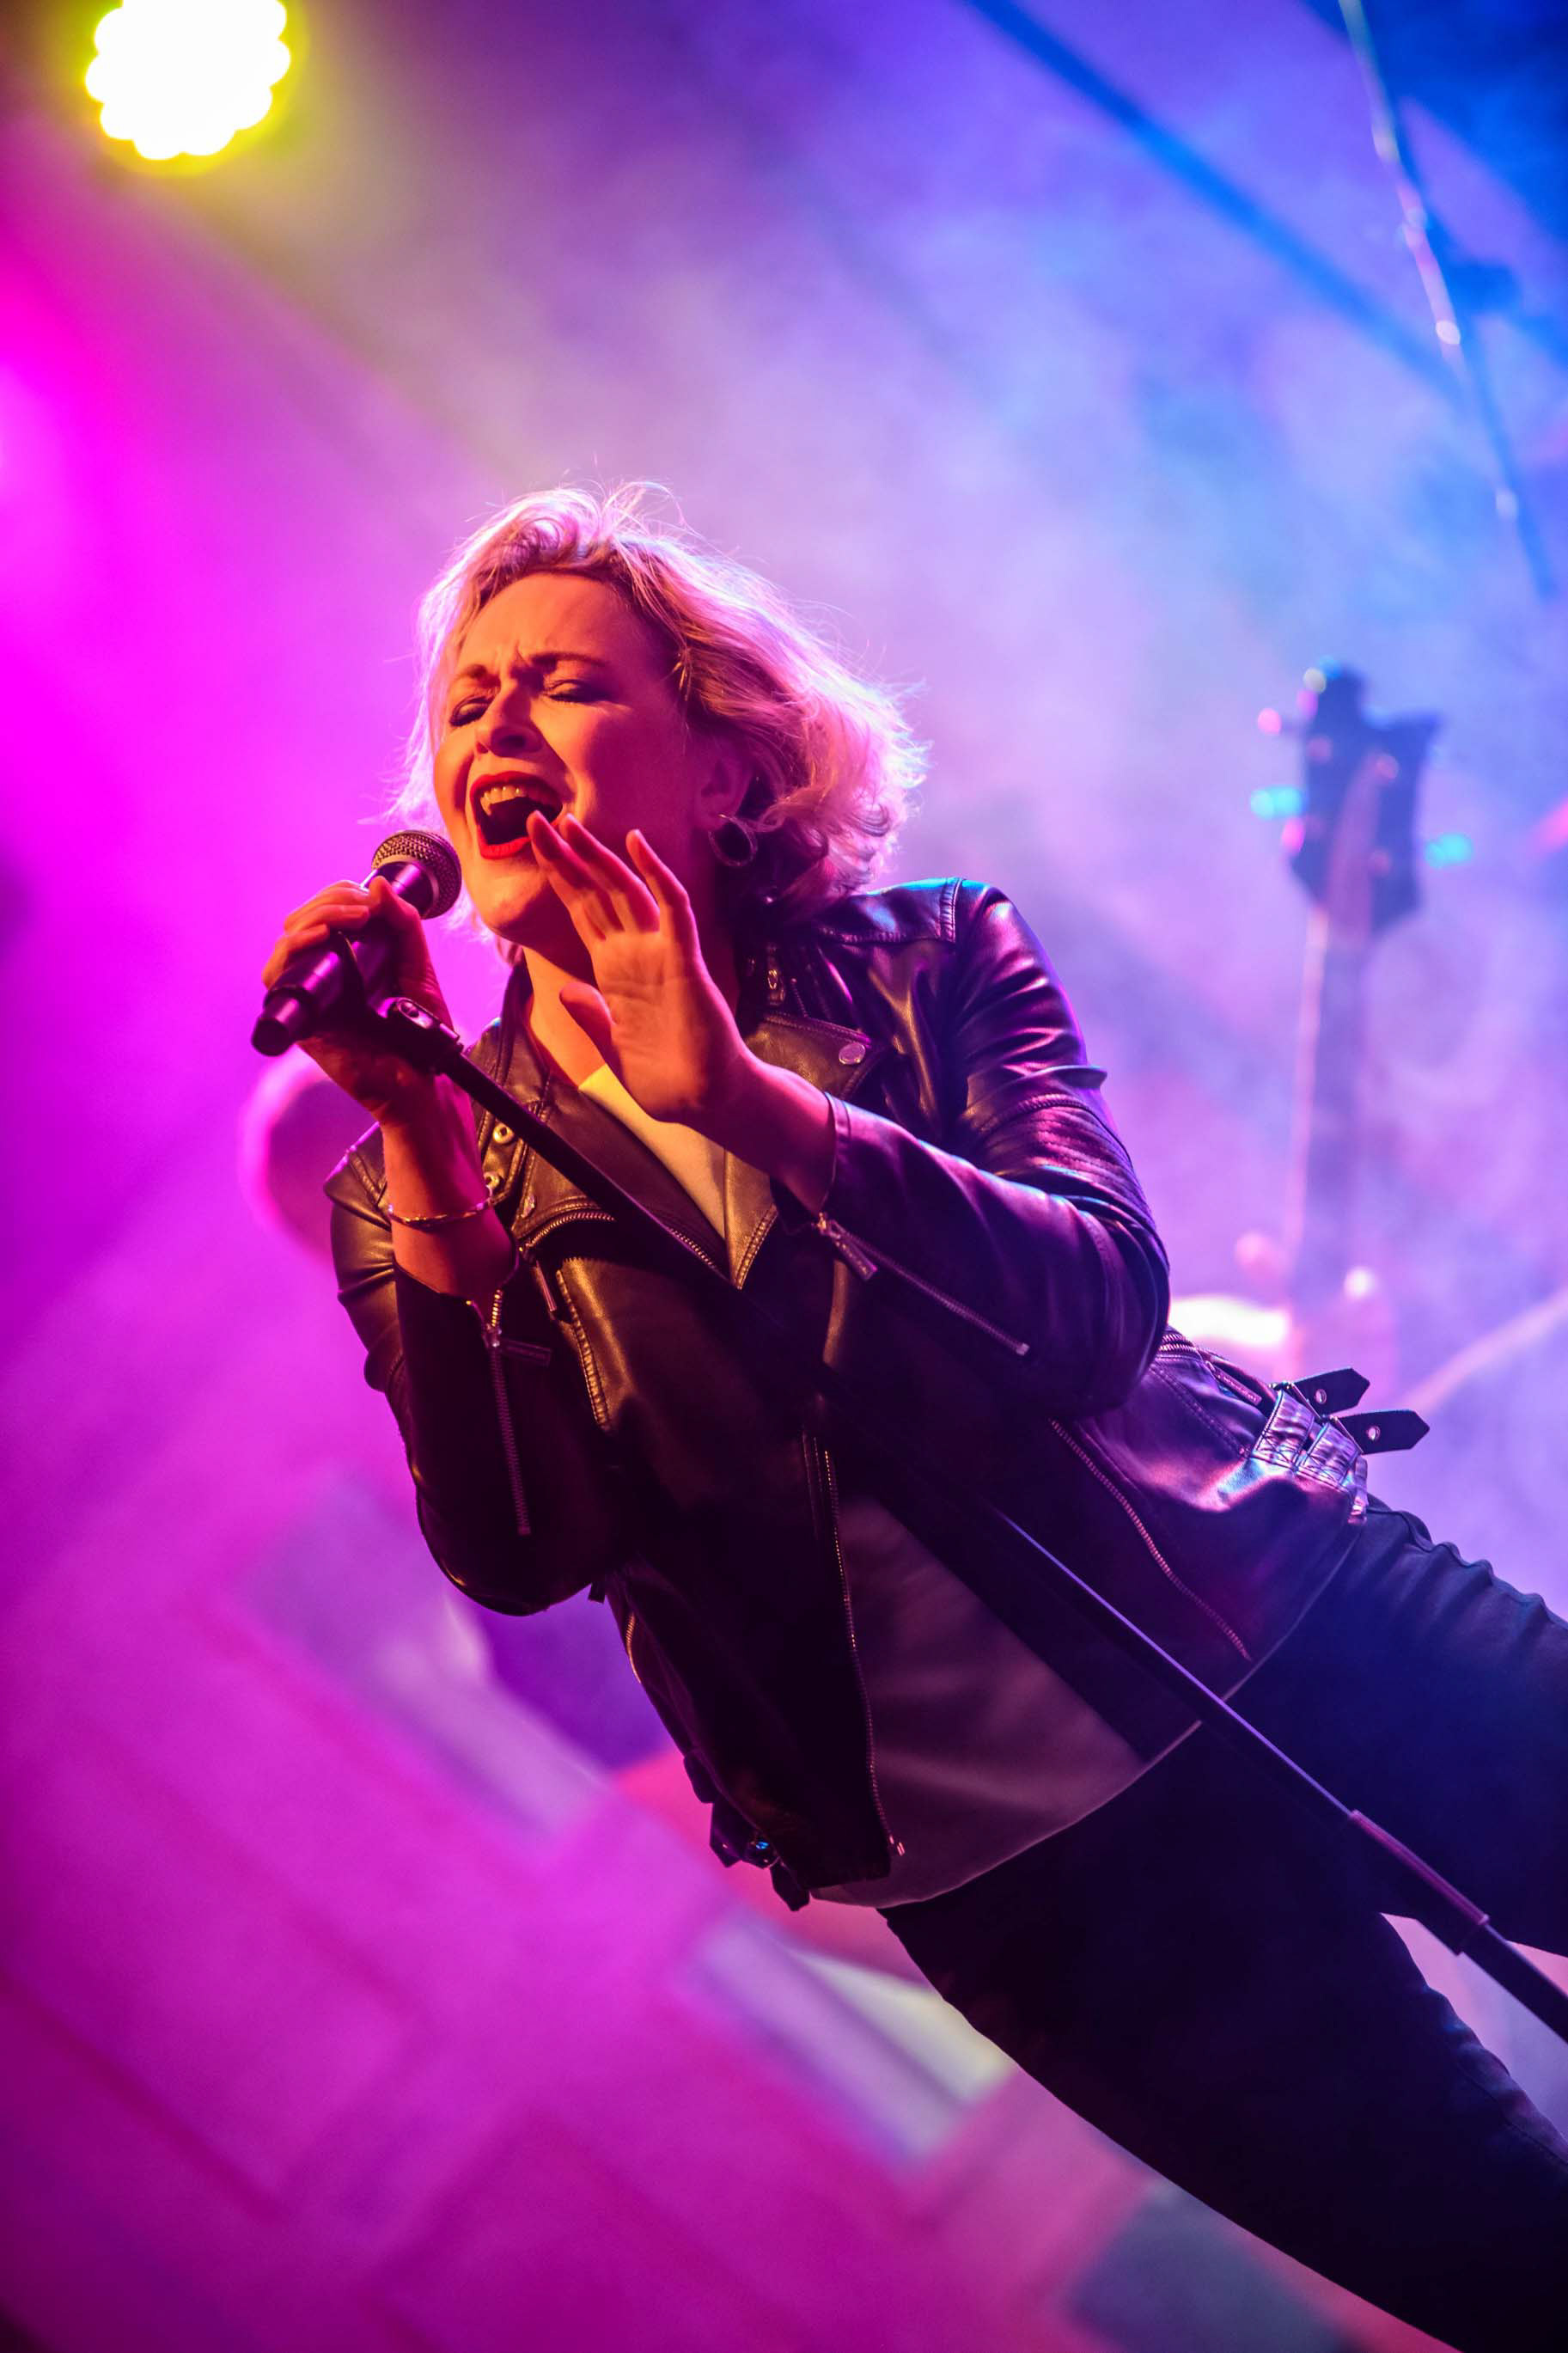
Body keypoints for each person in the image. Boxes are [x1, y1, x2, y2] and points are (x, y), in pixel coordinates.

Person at [263, 486, 1568, 2350]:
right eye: (468, 703)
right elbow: (521, 1544)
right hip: (1046, 1885)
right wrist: (416, 1135)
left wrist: (750, 1103)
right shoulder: (431, 1181)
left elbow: (1097, 1302)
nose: (499, 728)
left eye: (563, 685)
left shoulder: (926, 957)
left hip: (1282, 1601)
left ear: (727, 771)